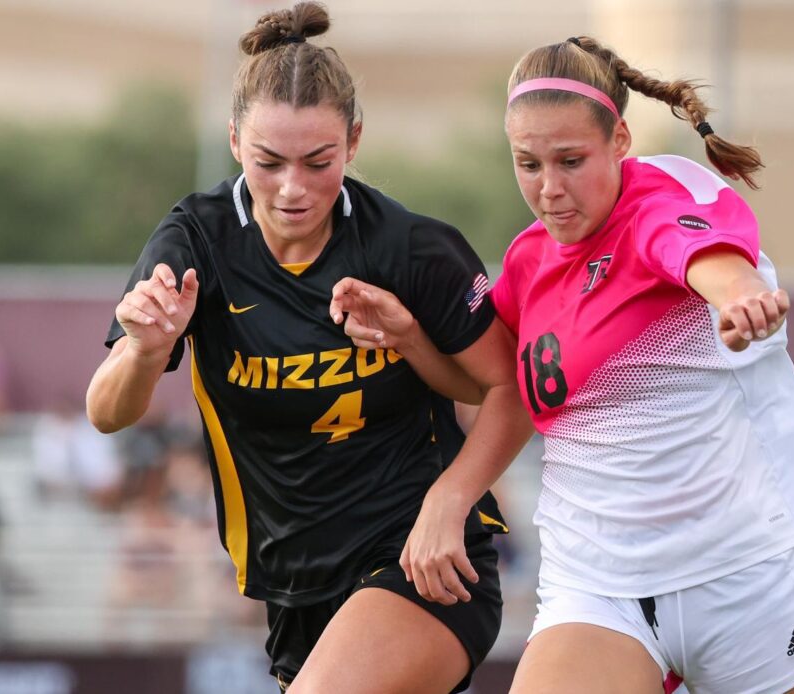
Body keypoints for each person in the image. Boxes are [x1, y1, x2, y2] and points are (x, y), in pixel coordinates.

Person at [331, 35, 794, 693]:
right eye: (527, 163)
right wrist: (412, 339)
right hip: (597, 588)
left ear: (620, 141)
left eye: (570, 160)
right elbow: (495, 387)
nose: (549, 189)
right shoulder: (529, 261)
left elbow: (708, 262)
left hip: (739, 573)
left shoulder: (658, 203)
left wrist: (741, 298)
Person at [85, 4, 530, 692]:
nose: (293, 188)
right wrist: (147, 349)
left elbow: (505, 387)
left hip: (420, 559)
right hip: (294, 589)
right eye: (269, 161)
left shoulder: (407, 247)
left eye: (318, 161)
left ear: (353, 141)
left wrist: (449, 500)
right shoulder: (196, 242)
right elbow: (107, 412)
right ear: (234, 141)